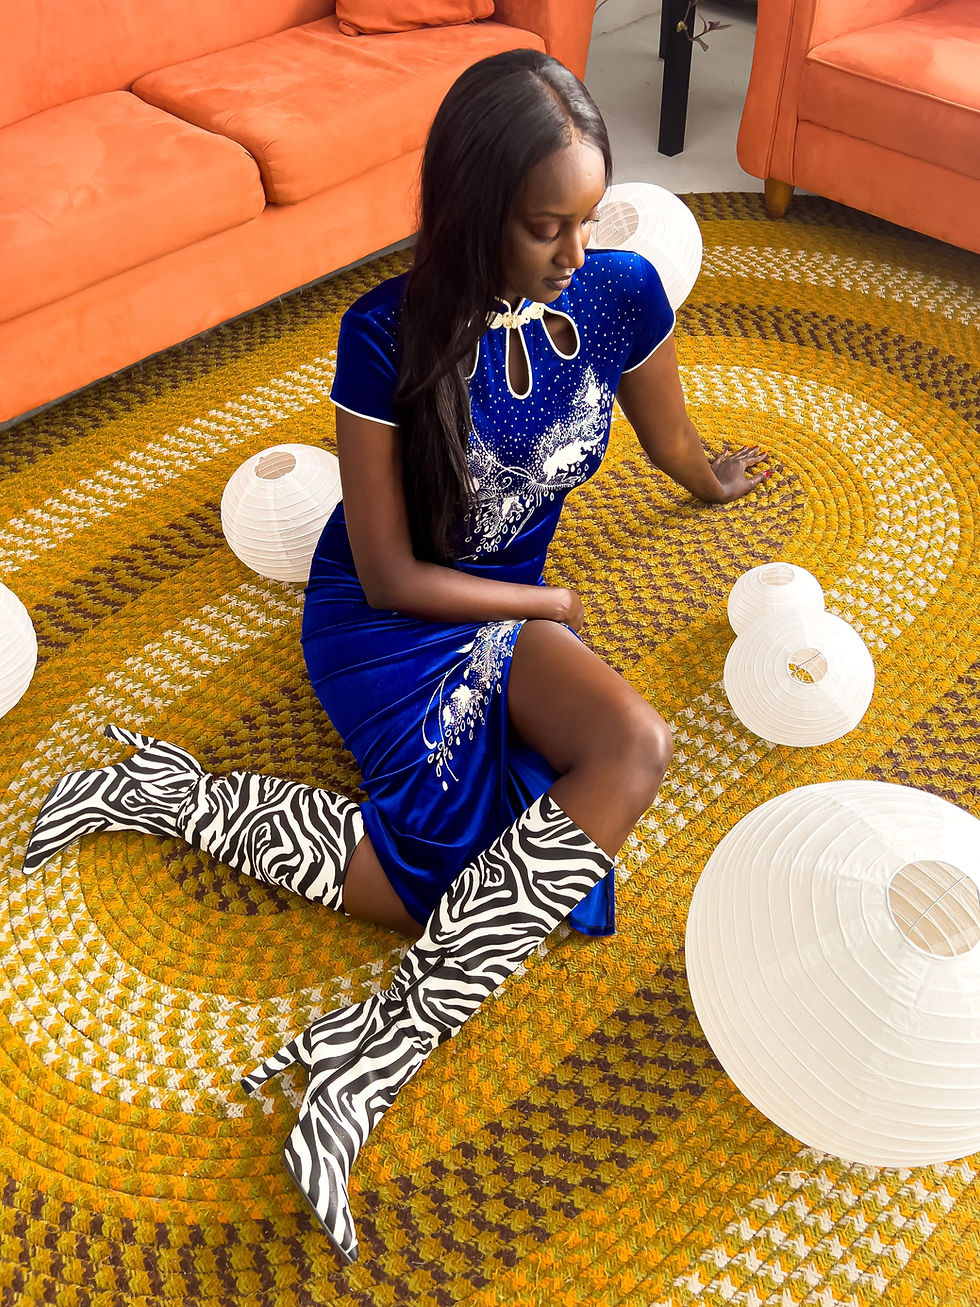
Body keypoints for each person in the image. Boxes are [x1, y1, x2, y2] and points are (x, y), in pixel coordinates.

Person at [22, 50, 766, 1265]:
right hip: (390, 618)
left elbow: (668, 434)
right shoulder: (384, 332)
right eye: (543, 227)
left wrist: (705, 476)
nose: (574, 252)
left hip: (509, 605)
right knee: (446, 875)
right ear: (473, 209)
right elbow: (386, 575)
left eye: (585, 219)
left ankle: (371, 1046)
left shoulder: (620, 292)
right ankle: (177, 804)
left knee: (634, 743)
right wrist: (552, 599)